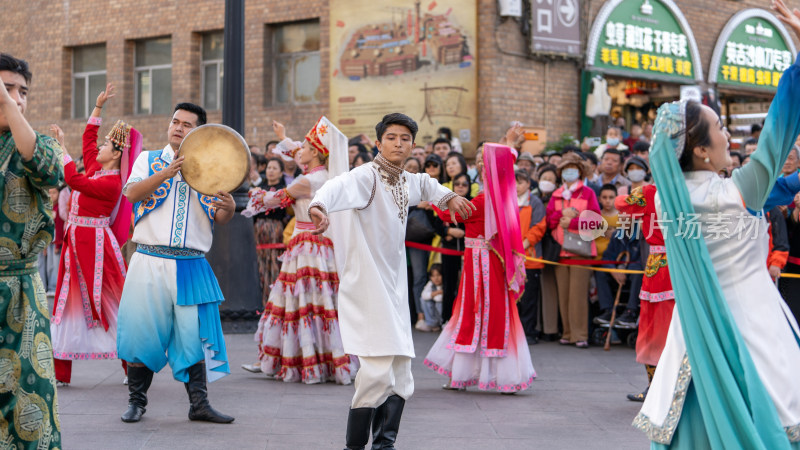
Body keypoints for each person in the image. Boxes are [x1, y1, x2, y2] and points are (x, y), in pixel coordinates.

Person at [634, 2, 800, 445]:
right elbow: (780, 128)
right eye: (720, 127)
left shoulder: (672, 200)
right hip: (752, 329)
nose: (729, 135)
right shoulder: (735, 194)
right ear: (703, 151)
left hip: (695, 335)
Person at [307, 112, 474, 450]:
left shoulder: (406, 180)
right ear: (379, 141)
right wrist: (318, 207)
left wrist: (449, 197)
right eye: (392, 137)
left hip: (395, 291)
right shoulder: (364, 177)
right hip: (367, 288)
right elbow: (335, 186)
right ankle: (354, 447)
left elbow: (427, 183)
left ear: (413, 144)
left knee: (400, 374)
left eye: (405, 138)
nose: (399, 143)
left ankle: (385, 445)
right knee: (378, 372)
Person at [116, 102, 235, 424]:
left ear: (198, 131)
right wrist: (165, 173)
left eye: (186, 124)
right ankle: (136, 403)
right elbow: (131, 194)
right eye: (175, 121)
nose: (178, 127)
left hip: (191, 263)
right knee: (141, 333)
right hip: (149, 260)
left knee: (193, 336)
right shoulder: (149, 159)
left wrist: (230, 206)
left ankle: (199, 405)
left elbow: (220, 218)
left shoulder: (212, 169)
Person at [241, 116, 354, 385]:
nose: (298, 150)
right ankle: (321, 359)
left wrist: (248, 194)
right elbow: (301, 155)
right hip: (321, 247)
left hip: (306, 245)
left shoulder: (307, 182)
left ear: (315, 152)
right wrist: (284, 137)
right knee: (320, 303)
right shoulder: (326, 175)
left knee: (294, 302)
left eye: (304, 146)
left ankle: (286, 359)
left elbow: (276, 198)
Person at [424, 142, 536, 392]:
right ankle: (502, 376)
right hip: (493, 263)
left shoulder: (485, 200)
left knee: (473, 312)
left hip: (480, 264)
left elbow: (448, 215)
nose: (481, 170)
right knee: (495, 312)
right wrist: (510, 145)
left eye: (485, 166)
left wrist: (431, 197)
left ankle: (466, 375)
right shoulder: (503, 198)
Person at [49, 83, 141, 386]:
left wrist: (61, 148)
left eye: (105, 146)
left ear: (115, 156)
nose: (98, 147)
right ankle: (61, 372)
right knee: (64, 301)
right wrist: (98, 106)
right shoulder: (95, 169)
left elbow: (72, 179)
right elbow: (88, 138)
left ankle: (133, 366)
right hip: (75, 244)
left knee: (110, 303)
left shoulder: (111, 184)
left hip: (98, 248)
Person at [0, 52, 63, 449]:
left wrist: (6, 102)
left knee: (26, 398)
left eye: (23, 92)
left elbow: (48, 170)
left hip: (19, 295)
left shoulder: (39, 147)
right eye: (8, 90)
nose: (17, 99)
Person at [546, 152, 601, 348]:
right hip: (560, 251)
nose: (569, 172)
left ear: (580, 171)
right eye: (566, 169)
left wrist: (573, 222)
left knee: (578, 295)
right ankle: (567, 332)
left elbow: (596, 222)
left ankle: (580, 334)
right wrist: (561, 214)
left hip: (581, 251)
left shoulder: (588, 193)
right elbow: (550, 220)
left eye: (573, 169)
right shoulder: (556, 194)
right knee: (564, 294)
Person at [251, 157, 288, 308]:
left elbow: (282, 209)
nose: (270, 171)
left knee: (273, 265)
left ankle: (275, 304)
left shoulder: (284, 189)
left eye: (274, 168)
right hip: (259, 229)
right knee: (260, 267)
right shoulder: (260, 188)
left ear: (281, 173)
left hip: (275, 229)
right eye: (269, 168)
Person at [516, 170, 547, 345]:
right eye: (514, 183)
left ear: (528, 184)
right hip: (510, 258)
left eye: (520, 183)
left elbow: (538, 228)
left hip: (530, 259)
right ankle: (515, 331)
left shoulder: (535, 202)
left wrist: (521, 247)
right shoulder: (507, 201)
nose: (517, 187)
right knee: (514, 299)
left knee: (529, 299)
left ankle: (529, 331)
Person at [534, 164, 561, 341]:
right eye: (544, 178)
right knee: (534, 291)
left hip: (551, 247)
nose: (547, 182)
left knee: (550, 288)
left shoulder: (559, 198)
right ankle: (535, 326)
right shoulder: (532, 197)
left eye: (551, 179)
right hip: (534, 247)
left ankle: (550, 329)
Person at [439, 172, 469, 324]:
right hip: (448, 250)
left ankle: (464, 320)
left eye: (464, 184)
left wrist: (462, 234)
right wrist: (447, 231)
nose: (461, 187)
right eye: (457, 184)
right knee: (449, 285)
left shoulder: (472, 203)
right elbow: (436, 223)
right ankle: (446, 319)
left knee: (466, 288)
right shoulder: (444, 203)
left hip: (467, 251)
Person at [420, 264, 444, 329]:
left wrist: (432, 295)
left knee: (439, 303)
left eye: (438, 275)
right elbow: (423, 295)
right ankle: (432, 323)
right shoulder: (431, 284)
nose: (436, 278)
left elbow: (440, 299)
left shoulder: (445, 284)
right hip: (435, 312)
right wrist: (438, 292)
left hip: (442, 312)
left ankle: (443, 322)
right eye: (433, 276)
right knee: (423, 299)